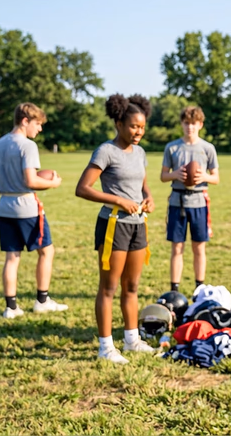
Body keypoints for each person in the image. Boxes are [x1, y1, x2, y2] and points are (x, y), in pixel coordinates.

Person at [75, 93, 156, 364]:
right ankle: (106, 347)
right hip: (113, 225)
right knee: (108, 287)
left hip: (138, 225)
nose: (139, 132)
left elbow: (142, 185)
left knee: (131, 286)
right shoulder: (106, 151)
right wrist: (119, 200)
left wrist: (149, 198)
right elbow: (83, 188)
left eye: (142, 127)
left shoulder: (141, 153)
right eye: (134, 126)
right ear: (119, 123)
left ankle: (132, 340)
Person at [0, 102, 68, 319]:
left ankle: (11, 307)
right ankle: (42, 300)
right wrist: (53, 183)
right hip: (26, 207)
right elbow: (31, 180)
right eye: (38, 124)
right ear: (25, 121)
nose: (40, 129)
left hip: (4, 206)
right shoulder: (27, 146)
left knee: (12, 257)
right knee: (46, 251)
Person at [160, 106, 219, 293]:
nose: (190, 127)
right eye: (186, 123)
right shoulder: (173, 147)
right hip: (177, 201)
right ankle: (174, 288)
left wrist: (204, 177)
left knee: (199, 247)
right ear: (181, 124)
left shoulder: (207, 148)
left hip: (199, 201)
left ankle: (199, 287)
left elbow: (216, 177)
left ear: (200, 125)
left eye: (193, 124)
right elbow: (163, 176)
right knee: (177, 247)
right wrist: (175, 174)